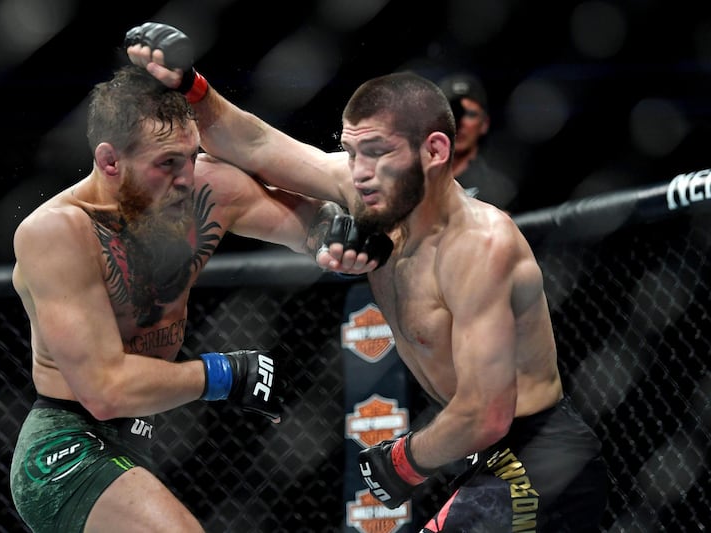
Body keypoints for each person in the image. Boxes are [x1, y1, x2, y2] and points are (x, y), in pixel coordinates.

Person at [127, 23, 609, 532]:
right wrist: (191, 88)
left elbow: (486, 413)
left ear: (435, 151)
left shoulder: (480, 246)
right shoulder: (367, 195)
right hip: (483, 460)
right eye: (351, 151)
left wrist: (401, 461)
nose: (357, 171)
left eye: (377, 151)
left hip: (540, 457)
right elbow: (253, 142)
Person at [8, 61, 388, 533]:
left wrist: (343, 237)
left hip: (140, 440)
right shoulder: (58, 233)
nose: (185, 177)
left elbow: (314, 224)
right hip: (67, 447)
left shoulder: (207, 187)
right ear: (110, 162)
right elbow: (106, 391)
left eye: (189, 156)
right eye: (166, 163)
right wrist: (227, 372)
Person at [438, 71, 518, 211]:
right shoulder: (416, 182)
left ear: (484, 124)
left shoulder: (499, 190)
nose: (461, 122)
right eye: (453, 113)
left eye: (470, 114)